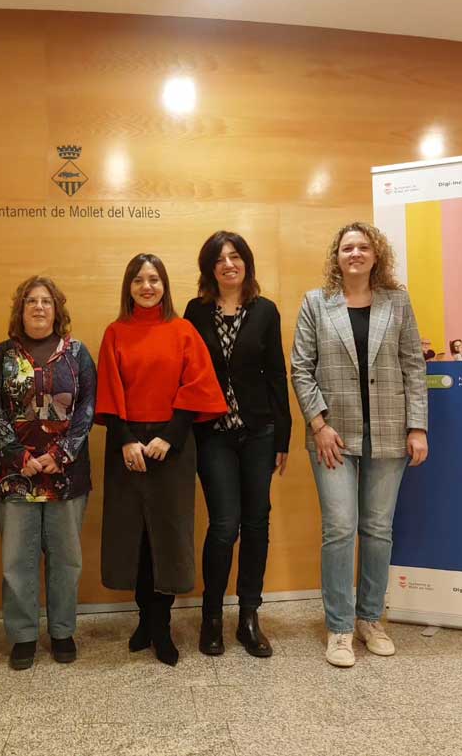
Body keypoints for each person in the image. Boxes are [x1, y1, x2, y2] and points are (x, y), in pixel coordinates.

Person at [291, 222, 428, 668]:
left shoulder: (397, 302)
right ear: (337, 256)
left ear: (376, 255)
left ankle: (370, 619)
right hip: (334, 437)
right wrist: (318, 424)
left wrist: (417, 427)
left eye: (363, 247)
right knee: (339, 528)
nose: (355, 253)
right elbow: (301, 368)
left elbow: (413, 366)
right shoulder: (316, 302)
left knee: (378, 529)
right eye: (347, 247)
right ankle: (339, 627)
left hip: (389, 433)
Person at [96, 253, 226, 666]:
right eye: (138, 280)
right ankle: (144, 619)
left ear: (164, 285)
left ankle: (162, 624)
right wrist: (126, 440)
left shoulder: (183, 330)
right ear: (129, 287)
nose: (147, 286)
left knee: (167, 536)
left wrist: (169, 438)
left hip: (172, 446)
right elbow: (108, 391)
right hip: (127, 446)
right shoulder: (115, 333)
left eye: (154, 279)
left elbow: (198, 387)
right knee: (134, 536)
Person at [183, 231, 291, 658]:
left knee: (257, 522)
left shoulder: (265, 311)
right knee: (225, 524)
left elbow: (276, 374)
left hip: (259, 432)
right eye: (219, 259)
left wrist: (283, 435)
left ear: (246, 262)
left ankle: (249, 616)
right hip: (212, 435)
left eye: (235, 256)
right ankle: (212, 616)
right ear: (209, 269)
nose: (228, 264)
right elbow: (186, 373)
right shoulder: (195, 311)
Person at [0, 276, 97, 670]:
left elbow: (88, 408)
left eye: (46, 301)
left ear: (57, 309)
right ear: (21, 309)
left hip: (66, 476)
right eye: (31, 300)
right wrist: (19, 456)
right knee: (18, 561)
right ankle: (23, 636)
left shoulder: (77, 354)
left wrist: (61, 453)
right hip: (16, 476)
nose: (39, 307)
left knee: (66, 559)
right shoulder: (2, 355)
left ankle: (62, 631)